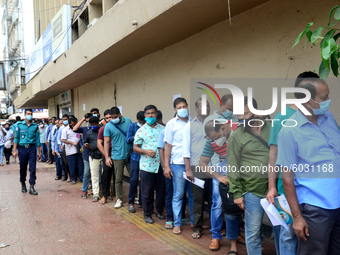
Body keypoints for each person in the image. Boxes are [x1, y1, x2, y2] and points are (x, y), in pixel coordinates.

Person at [277, 78, 340, 255]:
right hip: (316, 208)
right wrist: (297, 218)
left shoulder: (328, 118)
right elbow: (287, 178)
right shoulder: (289, 132)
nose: (328, 101)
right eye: (323, 98)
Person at [266, 71, 319, 255]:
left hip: (311, 190)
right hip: (286, 188)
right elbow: (273, 156)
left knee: (305, 235)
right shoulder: (281, 118)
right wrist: (272, 187)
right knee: (288, 235)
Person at [228, 97, 270, 255]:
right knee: (253, 233)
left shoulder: (272, 128)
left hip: (276, 189)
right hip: (252, 191)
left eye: (245, 113)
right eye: (238, 114)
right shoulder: (236, 136)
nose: (241, 118)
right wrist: (237, 193)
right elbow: (232, 166)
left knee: (283, 231)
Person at [201, 94, 238, 251]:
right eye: (228, 108)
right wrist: (218, 176)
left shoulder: (237, 120)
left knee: (237, 204)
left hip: (238, 171)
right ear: (221, 105)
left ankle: (235, 235)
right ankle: (215, 236)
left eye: (233, 109)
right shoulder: (211, 121)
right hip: (220, 170)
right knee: (218, 203)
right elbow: (204, 158)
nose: (231, 111)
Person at [163, 97, 194, 235]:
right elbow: (167, 145)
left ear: (188, 106)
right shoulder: (171, 124)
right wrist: (166, 166)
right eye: (179, 108)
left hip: (194, 164)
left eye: (184, 107)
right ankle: (177, 223)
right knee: (178, 194)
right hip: (178, 164)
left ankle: (194, 221)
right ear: (175, 109)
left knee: (194, 195)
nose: (182, 109)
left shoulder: (195, 122)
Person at [183, 98, 212, 239]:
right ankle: (198, 227)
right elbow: (186, 150)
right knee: (198, 199)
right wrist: (188, 169)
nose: (206, 108)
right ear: (196, 109)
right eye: (203, 106)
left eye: (208, 106)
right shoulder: (190, 126)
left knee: (215, 200)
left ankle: (215, 228)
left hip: (214, 168)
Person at [134, 105, 165, 223]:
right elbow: (135, 147)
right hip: (147, 166)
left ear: (156, 114)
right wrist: (145, 151)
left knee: (161, 190)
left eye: (152, 113)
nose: (150, 115)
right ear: (145, 115)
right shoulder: (141, 130)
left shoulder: (163, 129)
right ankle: (147, 214)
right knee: (147, 192)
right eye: (148, 114)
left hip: (161, 166)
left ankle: (159, 211)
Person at [104, 107, 132, 208]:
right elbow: (106, 142)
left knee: (133, 177)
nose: (113, 119)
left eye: (115, 117)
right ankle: (119, 199)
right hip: (117, 156)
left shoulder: (128, 121)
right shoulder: (108, 126)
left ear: (120, 114)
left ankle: (134, 198)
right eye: (112, 117)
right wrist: (107, 157)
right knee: (118, 179)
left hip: (129, 155)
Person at [12, 109, 41, 195]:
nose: (30, 115)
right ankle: (23, 183)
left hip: (32, 148)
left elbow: (38, 140)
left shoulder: (35, 126)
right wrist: (14, 150)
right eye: (28, 114)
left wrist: (39, 151)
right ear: (25, 115)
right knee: (23, 167)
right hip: (22, 149)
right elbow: (16, 138)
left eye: (31, 114)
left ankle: (32, 186)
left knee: (32, 168)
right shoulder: (19, 125)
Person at [127, 111, 145, 213]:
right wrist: (136, 137)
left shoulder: (148, 127)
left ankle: (142, 201)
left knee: (144, 180)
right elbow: (127, 140)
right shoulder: (132, 126)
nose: (142, 124)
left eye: (143, 122)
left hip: (145, 158)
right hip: (135, 157)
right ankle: (131, 202)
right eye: (140, 122)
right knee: (133, 180)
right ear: (137, 120)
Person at [73, 113, 92, 198]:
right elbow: (74, 129)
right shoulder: (84, 129)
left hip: (96, 154)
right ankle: (84, 191)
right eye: (86, 121)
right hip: (86, 154)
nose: (87, 122)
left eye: (89, 121)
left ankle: (96, 191)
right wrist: (82, 119)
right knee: (86, 173)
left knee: (97, 174)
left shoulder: (97, 129)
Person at [97, 109, 114, 204]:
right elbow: (99, 144)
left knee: (117, 177)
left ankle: (115, 195)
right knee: (106, 176)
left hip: (117, 156)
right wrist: (107, 156)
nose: (109, 120)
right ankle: (105, 196)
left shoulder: (117, 128)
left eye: (110, 117)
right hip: (106, 157)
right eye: (106, 118)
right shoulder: (102, 129)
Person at [84, 116, 102, 202]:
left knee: (104, 175)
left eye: (94, 124)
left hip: (103, 156)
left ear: (98, 122)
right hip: (93, 156)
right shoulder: (89, 132)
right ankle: (96, 194)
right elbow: (85, 142)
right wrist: (86, 145)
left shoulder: (103, 130)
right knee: (94, 176)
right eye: (91, 125)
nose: (93, 126)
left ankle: (106, 193)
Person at [61, 117, 84, 184]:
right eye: (72, 125)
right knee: (72, 166)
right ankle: (73, 179)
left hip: (79, 151)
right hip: (70, 151)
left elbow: (80, 137)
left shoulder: (78, 129)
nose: (74, 126)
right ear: (69, 123)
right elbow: (63, 140)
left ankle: (81, 178)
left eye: (75, 124)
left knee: (80, 165)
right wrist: (72, 143)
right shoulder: (65, 130)